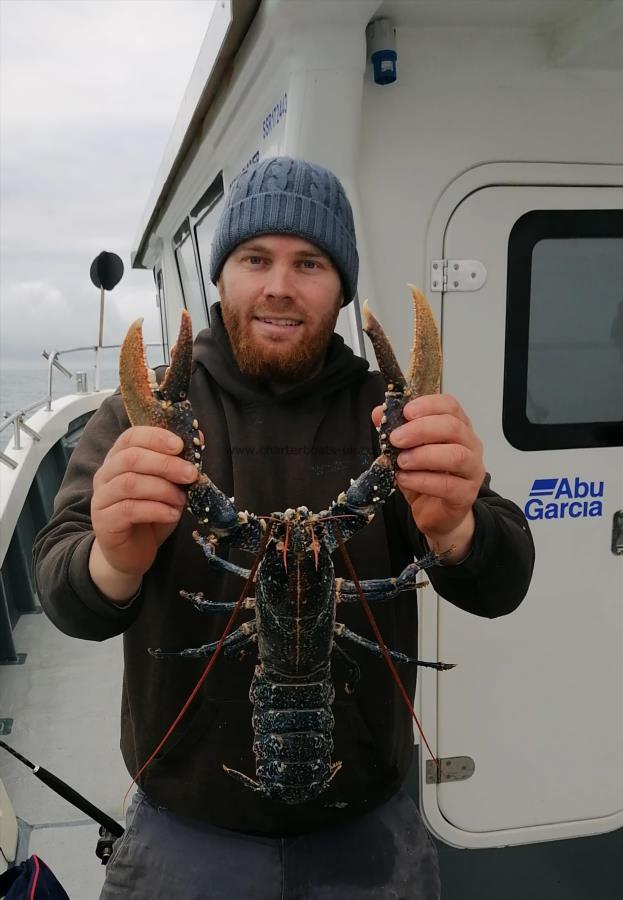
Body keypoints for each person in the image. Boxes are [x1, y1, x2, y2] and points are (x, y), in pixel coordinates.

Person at [33, 157, 534, 899]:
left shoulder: (390, 417)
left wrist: (458, 529)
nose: (278, 285)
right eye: (254, 258)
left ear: (340, 288)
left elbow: (504, 580)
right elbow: (63, 591)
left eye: (309, 262)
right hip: (188, 819)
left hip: (367, 821)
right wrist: (112, 562)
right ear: (221, 276)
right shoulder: (139, 419)